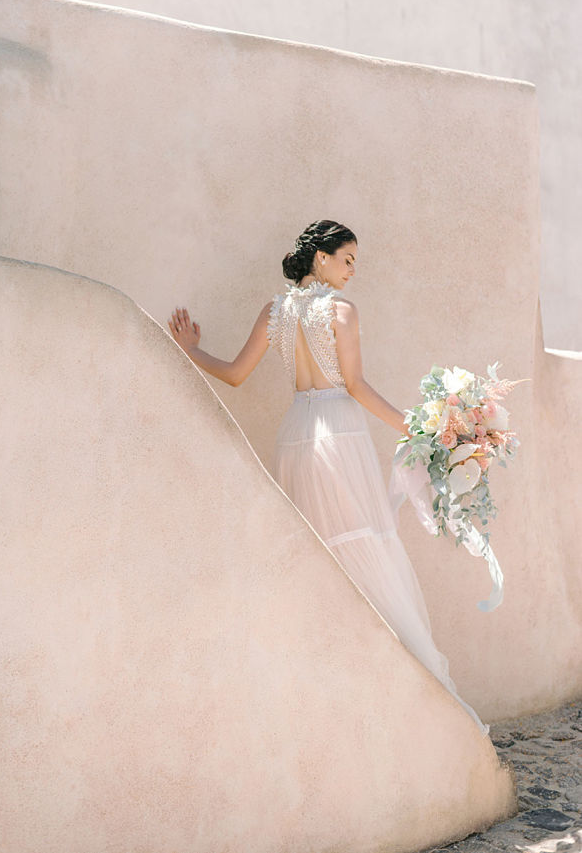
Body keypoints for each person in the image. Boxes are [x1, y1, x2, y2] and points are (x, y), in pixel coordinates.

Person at [168, 219, 489, 735]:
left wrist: (188, 350)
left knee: (318, 550)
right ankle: (404, 690)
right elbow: (357, 386)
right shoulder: (341, 311)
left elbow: (232, 373)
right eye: (347, 259)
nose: (353, 270)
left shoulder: (274, 311)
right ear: (320, 257)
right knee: (365, 542)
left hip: (297, 431)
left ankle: (329, 692)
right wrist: (420, 427)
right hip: (338, 431)